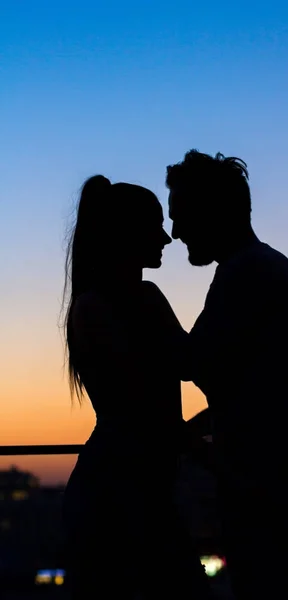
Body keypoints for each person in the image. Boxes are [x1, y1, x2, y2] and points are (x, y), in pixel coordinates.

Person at [166, 150, 288, 600]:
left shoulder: (247, 272)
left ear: (212, 211)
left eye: (181, 217)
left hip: (270, 484)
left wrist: (146, 303)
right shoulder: (258, 267)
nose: (176, 232)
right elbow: (250, 389)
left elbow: (190, 360)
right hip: (278, 477)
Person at [61, 175, 213, 599]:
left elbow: (173, 379)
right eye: (155, 226)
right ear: (127, 235)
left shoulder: (112, 303)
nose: (166, 238)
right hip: (122, 498)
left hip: (127, 491)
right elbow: (148, 406)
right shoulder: (125, 304)